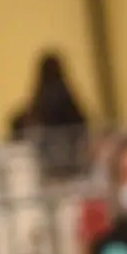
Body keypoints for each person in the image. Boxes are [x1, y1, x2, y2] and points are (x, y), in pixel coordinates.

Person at [29, 50, 91, 184]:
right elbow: (78, 117)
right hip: (67, 143)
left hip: (50, 146)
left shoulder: (39, 95)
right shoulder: (63, 91)